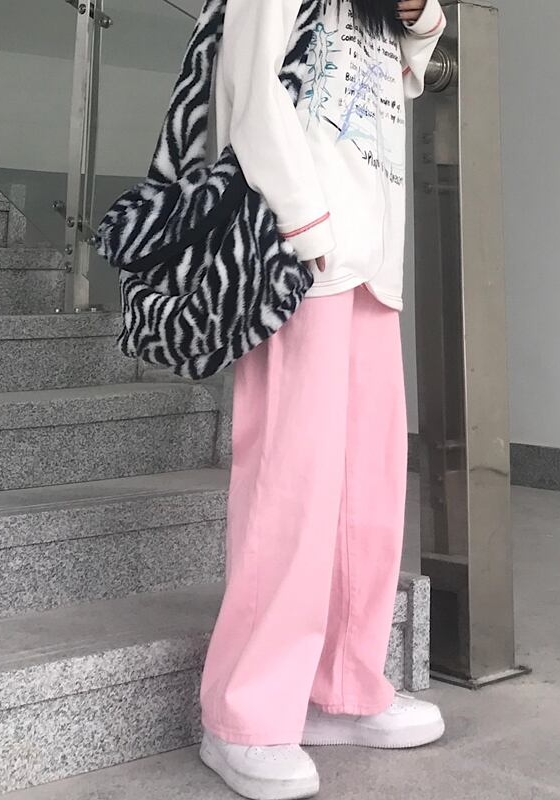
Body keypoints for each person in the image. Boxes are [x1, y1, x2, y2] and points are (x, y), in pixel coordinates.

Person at [199, 0, 447, 797]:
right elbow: (249, 90)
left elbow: (394, 87)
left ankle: (343, 685)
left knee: (368, 493)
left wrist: (420, 20)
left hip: (371, 261)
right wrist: (305, 227)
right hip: (299, 258)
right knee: (291, 487)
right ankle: (244, 716)